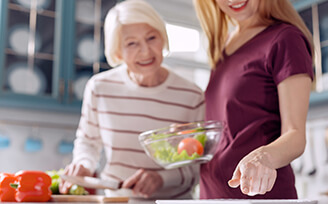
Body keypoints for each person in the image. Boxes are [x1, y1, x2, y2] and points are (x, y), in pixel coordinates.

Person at [59, 0, 205, 199]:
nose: (145, 51)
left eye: (151, 38)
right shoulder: (100, 88)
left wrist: (162, 178)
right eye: (132, 43)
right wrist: (83, 165)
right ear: (117, 51)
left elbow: (198, 166)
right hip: (117, 200)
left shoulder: (192, 96)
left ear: (163, 37)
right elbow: (88, 142)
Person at [193, 0, 314, 199]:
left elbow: (295, 135)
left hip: (260, 196)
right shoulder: (223, 47)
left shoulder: (285, 38)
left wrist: (263, 158)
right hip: (212, 195)